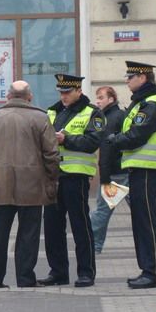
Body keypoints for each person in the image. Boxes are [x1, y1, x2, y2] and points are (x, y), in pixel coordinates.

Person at [0, 80, 60, 289]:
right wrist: (51, 178)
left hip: (1, 184)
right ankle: (25, 278)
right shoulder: (41, 118)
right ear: (29, 97)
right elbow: (51, 153)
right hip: (32, 185)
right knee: (29, 233)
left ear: (8, 96)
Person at [107, 61, 156, 289]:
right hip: (138, 169)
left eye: (130, 76)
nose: (127, 80)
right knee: (141, 221)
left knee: (145, 221)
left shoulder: (151, 104)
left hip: (145, 169)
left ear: (142, 78)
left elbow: (137, 135)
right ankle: (149, 270)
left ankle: (152, 273)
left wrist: (115, 140)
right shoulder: (140, 104)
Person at [38, 74, 104, 288]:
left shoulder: (93, 113)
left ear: (78, 91)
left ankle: (86, 272)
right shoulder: (52, 111)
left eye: (67, 92)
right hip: (53, 176)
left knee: (80, 226)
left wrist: (66, 139)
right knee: (52, 227)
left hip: (76, 176)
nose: (64, 96)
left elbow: (93, 141)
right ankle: (58, 272)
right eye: (61, 92)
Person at [90, 86, 129, 254]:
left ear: (111, 100)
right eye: (97, 97)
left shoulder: (112, 118)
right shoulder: (113, 116)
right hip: (123, 171)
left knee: (101, 211)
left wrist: (105, 176)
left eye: (101, 97)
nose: (97, 100)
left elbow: (107, 151)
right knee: (141, 211)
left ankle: (91, 244)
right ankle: (95, 246)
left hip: (116, 173)